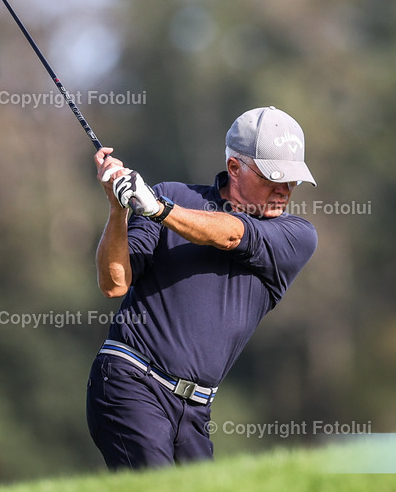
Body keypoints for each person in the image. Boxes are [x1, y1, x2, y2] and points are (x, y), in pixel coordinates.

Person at [86, 106, 318, 470]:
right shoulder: (171, 195)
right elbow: (114, 284)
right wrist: (118, 211)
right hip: (131, 383)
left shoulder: (296, 237)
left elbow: (231, 234)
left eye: (292, 179)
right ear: (235, 168)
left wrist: (159, 209)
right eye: (274, 177)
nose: (284, 190)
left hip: (195, 413)